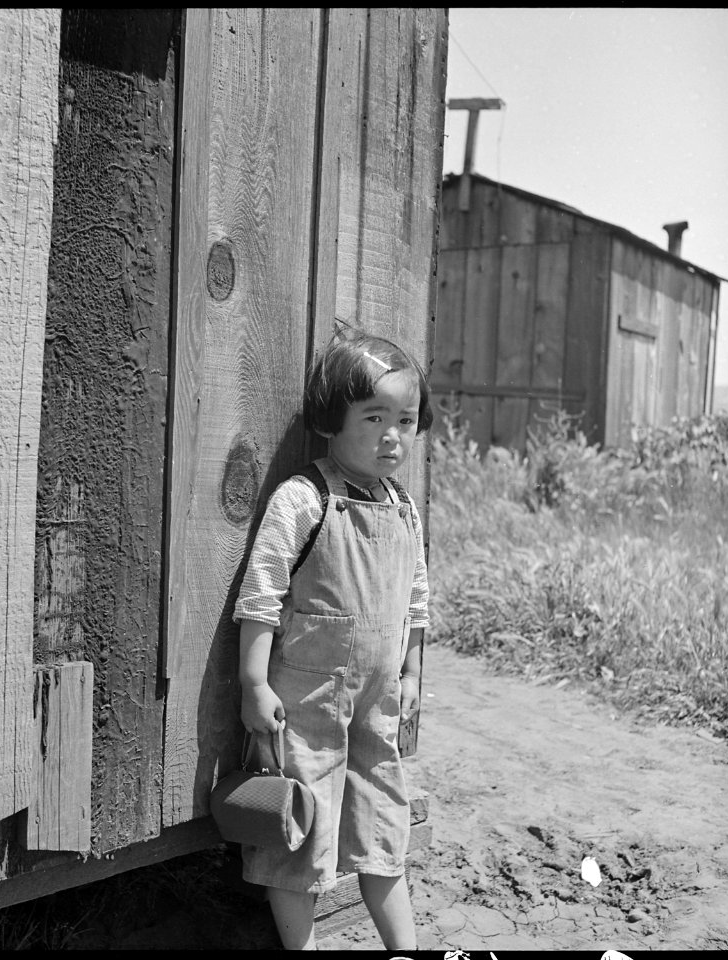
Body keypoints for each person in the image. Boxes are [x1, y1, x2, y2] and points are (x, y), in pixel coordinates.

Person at [233, 330, 433, 950]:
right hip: (308, 702)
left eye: (405, 419)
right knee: (303, 827)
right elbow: (262, 594)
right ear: (331, 421)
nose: (392, 435)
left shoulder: (404, 507)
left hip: (379, 702)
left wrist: (413, 675)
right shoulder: (305, 498)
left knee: (383, 823)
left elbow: (416, 604)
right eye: (374, 418)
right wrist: (253, 682)